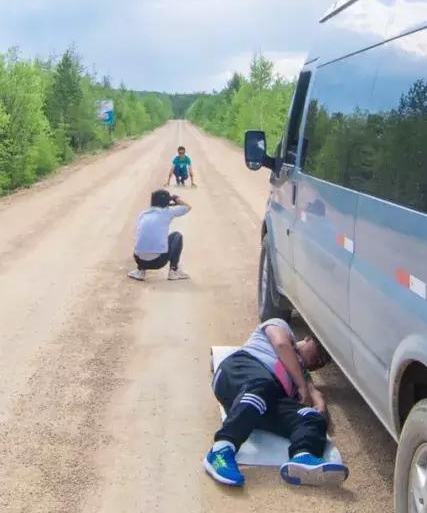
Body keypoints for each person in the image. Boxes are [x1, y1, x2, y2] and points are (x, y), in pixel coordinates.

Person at [204, 319, 348, 486]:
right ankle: (220, 451)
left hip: (266, 399)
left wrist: (319, 405)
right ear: (308, 339)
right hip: (241, 370)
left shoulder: (303, 375)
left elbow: (315, 395)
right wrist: (301, 385)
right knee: (262, 386)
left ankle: (303, 458)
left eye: (326, 361)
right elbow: (281, 344)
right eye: (321, 351)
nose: (321, 360)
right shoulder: (280, 326)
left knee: (310, 416)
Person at [129, 189, 190, 281]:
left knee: (145, 236)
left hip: (139, 260)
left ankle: (140, 271)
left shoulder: (143, 214)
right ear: (167, 202)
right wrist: (176, 199)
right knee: (177, 236)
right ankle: (174, 271)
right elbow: (187, 207)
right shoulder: (167, 212)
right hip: (159, 261)